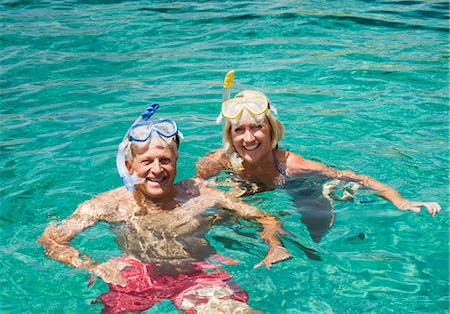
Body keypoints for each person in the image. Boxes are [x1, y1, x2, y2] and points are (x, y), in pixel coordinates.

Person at [37, 103, 291, 314]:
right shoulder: (108, 205)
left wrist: (275, 246)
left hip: (197, 272)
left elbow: (266, 219)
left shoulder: (200, 194)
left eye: (165, 160)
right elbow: (51, 240)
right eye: (147, 161)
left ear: (177, 160)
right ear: (129, 166)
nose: (157, 170)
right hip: (135, 275)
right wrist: (93, 266)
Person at [195, 88, 442, 243]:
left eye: (256, 127)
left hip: (298, 186)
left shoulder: (295, 165)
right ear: (230, 135)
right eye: (239, 130)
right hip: (250, 185)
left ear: (272, 131)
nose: (248, 138)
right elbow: (196, 186)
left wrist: (400, 200)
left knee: (318, 234)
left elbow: (358, 178)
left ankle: (332, 197)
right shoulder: (220, 160)